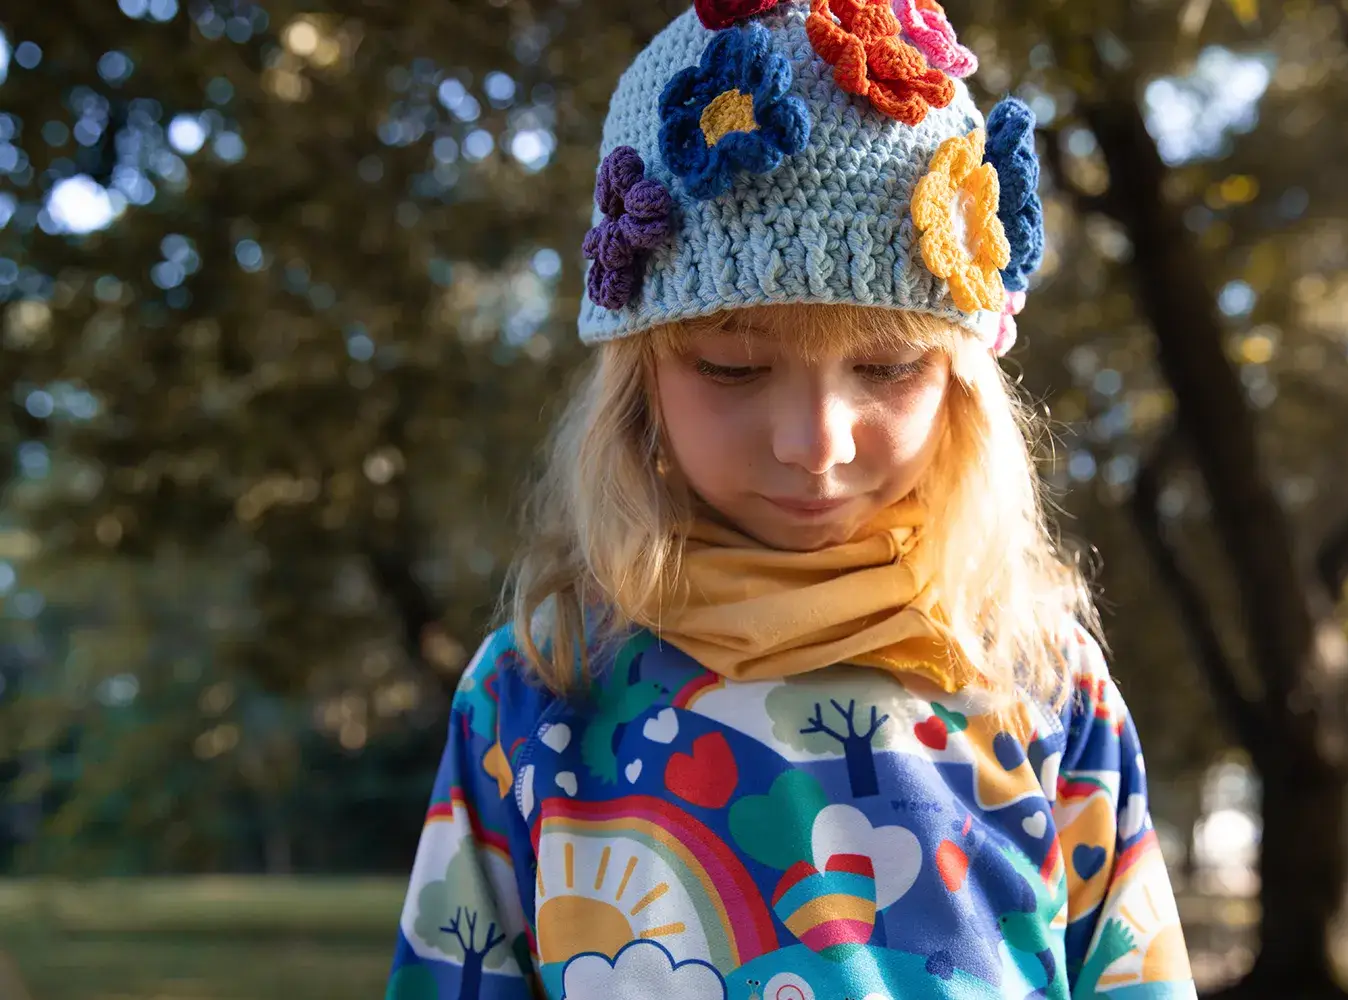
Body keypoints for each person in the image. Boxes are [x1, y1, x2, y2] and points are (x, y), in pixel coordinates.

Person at [385, 2, 1197, 997]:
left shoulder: (1038, 674)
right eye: (731, 367)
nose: (815, 444)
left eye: (890, 365)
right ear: (639, 381)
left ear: (961, 381)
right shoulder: (542, 681)